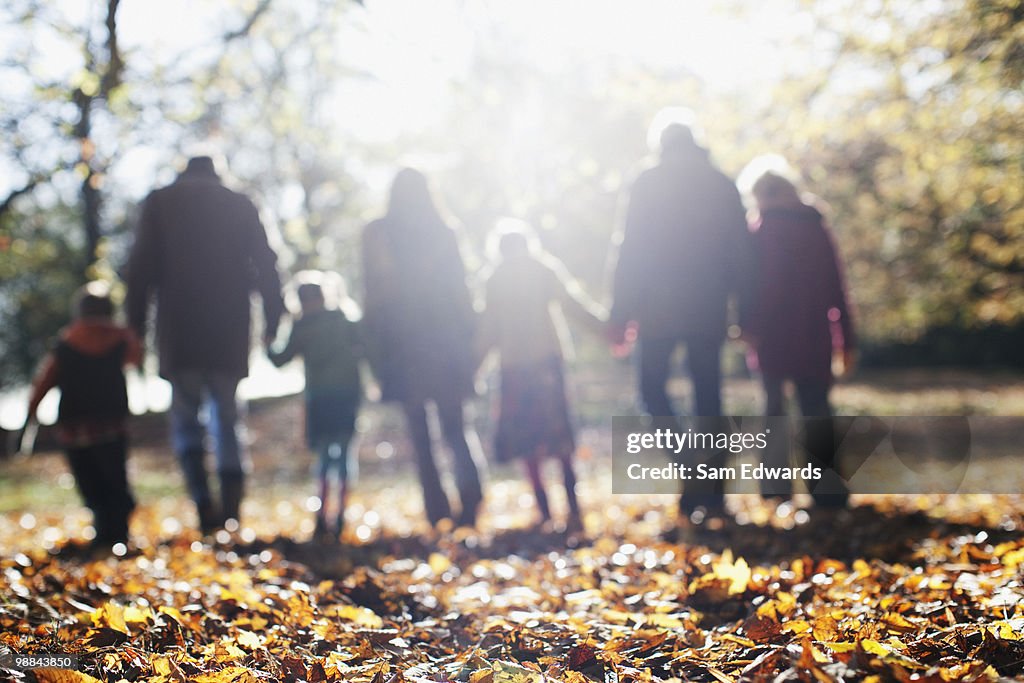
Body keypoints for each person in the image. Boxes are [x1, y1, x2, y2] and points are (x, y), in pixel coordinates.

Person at [126, 155, 285, 534]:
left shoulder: (161, 203)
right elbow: (267, 263)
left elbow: (140, 268)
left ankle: (203, 504)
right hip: (229, 332)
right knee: (228, 419)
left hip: (178, 333)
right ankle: (231, 510)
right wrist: (274, 318)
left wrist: (134, 329)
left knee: (185, 418)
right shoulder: (240, 203)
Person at [608, 113, 754, 515]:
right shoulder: (721, 183)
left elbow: (630, 248)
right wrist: (746, 309)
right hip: (708, 307)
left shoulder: (648, 181)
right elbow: (742, 252)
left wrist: (620, 311)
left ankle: (693, 470)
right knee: (709, 396)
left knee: (652, 391)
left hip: (656, 309)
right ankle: (710, 486)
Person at [362, 168, 485, 529]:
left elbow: (374, 291)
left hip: (403, 343)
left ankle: (437, 510)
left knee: (421, 432)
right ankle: (470, 497)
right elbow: (462, 291)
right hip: (445, 341)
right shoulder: (444, 231)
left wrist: (374, 347)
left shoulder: (378, 233)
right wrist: (471, 338)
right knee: (456, 425)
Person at [476, 223, 605, 533]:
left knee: (527, 441)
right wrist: (606, 330)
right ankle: (573, 509)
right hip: (546, 363)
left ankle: (545, 510)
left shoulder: (496, 278)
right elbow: (574, 306)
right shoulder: (542, 269)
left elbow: (487, 330)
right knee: (559, 437)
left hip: (515, 367)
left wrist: (474, 368)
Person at [744, 169, 856, 508]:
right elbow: (837, 288)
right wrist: (847, 339)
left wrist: (746, 326)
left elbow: (749, 289)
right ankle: (826, 490)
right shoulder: (815, 227)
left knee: (774, 409)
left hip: (771, 336)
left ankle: (775, 489)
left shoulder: (757, 232)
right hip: (813, 335)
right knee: (816, 409)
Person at [24, 282, 142, 552]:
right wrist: (129, 333)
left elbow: (44, 380)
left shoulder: (66, 343)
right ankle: (118, 532)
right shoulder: (119, 340)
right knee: (115, 478)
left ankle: (104, 531)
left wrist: (30, 415)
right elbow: (135, 359)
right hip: (111, 423)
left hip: (74, 426)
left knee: (90, 481)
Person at [267, 273, 363, 542]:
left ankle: (322, 515)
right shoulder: (345, 320)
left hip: (319, 397)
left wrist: (268, 343)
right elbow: (365, 346)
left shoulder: (301, 327)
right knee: (343, 453)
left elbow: (279, 359)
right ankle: (340, 513)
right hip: (347, 394)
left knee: (324, 455)